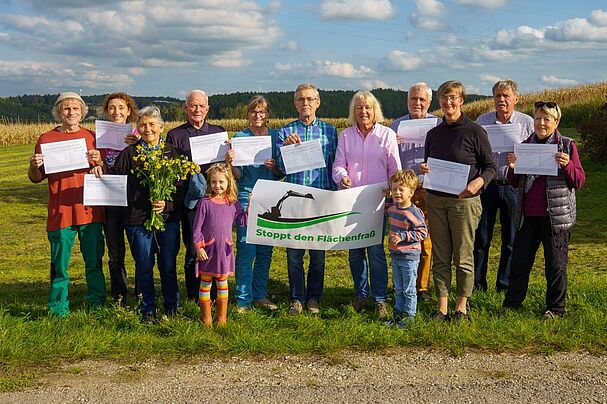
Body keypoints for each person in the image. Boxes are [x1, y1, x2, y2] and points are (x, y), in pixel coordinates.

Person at [420, 80, 496, 322]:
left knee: (463, 256)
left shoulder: (475, 131)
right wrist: (424, 169)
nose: (448, 102)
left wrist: (478, 183)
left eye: (453, 97)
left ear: (461, 100)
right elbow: (428, 163)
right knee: (441, 255)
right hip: (436, 200)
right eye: (444, 98)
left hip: (465, 202)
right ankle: (442, 307)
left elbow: (491, 167)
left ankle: (461, 306)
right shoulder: (433, 134)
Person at [502, 101, 585, 319]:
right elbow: (513, 182)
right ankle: (512, 304)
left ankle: (555, 309)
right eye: (538, 118)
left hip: (555, 217)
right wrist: (512, 168)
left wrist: (567, 165)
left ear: (556, 122)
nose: (541, 123)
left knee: (555, 266)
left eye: (547, 119)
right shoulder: (524, 145)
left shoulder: (566, 146)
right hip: (528, 216)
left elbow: (579, 181)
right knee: (520, 263)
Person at [28, 92, 106, 317]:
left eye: (75, 109)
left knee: (93, 261)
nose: (71, 113)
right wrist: (34, 165)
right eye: (66, 109)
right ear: (58, 112)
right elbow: (36, 177)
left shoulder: (92, 137)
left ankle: (96, 302)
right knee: (59, 265)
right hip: (60, 211)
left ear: (82, 112)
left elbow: (104, 170)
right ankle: (58, 308)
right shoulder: (46, 139)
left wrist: (99, 162)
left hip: (90, 210)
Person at [110, 106, 184, 323]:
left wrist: (168, 204)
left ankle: (172, 307)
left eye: (152, 124)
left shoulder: (172, 153)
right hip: (137, 220)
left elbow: (182, 187)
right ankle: (147, 310)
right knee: (143, 265)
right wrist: (97, 168)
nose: (147, 128)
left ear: (161, 127)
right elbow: (116, 184)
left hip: (167, 220)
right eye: (142, 125)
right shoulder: (129, 154)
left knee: (168, 265)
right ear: (137, 129)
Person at [332, 91, 401, 319]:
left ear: (375, 110)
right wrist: (342, 176)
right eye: (359, 108)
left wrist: (393, 190)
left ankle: (379, 298)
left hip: (377, 201)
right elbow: (338, 165)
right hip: (351, 201)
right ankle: (360, 294)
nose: (363, 112)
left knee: (375, 251)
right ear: (354, 111)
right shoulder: (346, 136)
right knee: (354, 253)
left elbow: (395, 169)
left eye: (368, 108)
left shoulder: (387, 134)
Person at [275, 83, 338, 315]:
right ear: (295, 103)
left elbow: (335, 165)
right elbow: (280, 170)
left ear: (318, 102)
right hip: (294, 202)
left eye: (310, 99)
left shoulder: (330, 132)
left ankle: (313, 298)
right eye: (301, 99)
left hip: (320, 199)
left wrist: (334, 196)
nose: (305, 103)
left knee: (318, 255)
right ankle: (296, 298)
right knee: (294, 255)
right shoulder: (285, 132)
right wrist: (285, 149)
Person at [473, 80, 534, 293]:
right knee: (481, 238)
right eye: (498, 96)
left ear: (516, 99)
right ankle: (478, 285)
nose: (501, 100)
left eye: (506, 96)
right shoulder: (482, 121)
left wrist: (520, 160)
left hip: (513, 186)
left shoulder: (526, 123)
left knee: (511, 239)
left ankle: (504, 285)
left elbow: (535, 153)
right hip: (487, 185)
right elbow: (474, 151)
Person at [166, 89, 226, 301]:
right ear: (185, 108)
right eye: (193, 105)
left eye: (201, 106)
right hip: (191, 203)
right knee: (194, 248)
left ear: (207, 109)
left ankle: (217, 292)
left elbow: (224, 169)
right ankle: (194, 295)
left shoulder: (219, 132)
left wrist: (229, 158)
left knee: (217, 245)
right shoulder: (175, 135)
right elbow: (171, 171)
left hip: (216, 201)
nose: (197, 109)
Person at [225, 96, 282, 313]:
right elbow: (239, 175)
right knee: (246, 247)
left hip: (270, 195)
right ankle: (242, 299)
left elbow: (280, 173)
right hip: (247, 195)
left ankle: (260, 294)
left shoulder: (276, 137)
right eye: (253, 112)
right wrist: (229, 164)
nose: (258, 116)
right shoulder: (240, 137)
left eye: (262, 112)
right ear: (247, 114)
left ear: (268, 115)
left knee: (265, 250)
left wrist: (275, 167)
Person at [390, 82, 436, 302]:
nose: (417, 103)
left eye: (422, 100)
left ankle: (422, 287)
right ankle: (401, 283)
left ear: (429, 102)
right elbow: (386, 157)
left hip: (428, 189)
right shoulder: (396, 126)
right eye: (413, 99)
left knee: (425, 240)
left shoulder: (437, 124)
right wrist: (392, 143)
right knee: (399, 239)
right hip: (404, 193)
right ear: (407, 101)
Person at [193, 163, 247, 327]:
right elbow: (196, 229)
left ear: (229, 182)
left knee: (222, 284)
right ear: (209, 183)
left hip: (225, 251)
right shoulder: (205, 203)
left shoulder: (233, 203)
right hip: (208, 251)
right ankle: (206, 319)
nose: (217, 185)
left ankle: (222, 319)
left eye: (221, 182)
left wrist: (251, 207)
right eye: (214, 182)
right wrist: (199, 247)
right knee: (206, 284)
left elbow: (243, 221)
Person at [100, 92, 139, 306]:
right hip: (110, 198)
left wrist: (137, 144)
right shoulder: (100, 136)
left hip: (133, 200)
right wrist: (96, 161)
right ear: (107, 111)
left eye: (121, 107)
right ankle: (119, 296)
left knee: (140, 250)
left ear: (128, 110)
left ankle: (143, 292)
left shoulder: (137, 134)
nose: (117, 112)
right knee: (115, 252)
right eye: (112, 108)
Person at [385, 169, 428, 327]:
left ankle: (409, 317)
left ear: (411, 192)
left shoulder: (414, 212)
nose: (397, 192)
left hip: (409, 257)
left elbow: (422, 232)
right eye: (394, 189)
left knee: (409, 289)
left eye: (401, 189)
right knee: (399, 288)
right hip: (395, 256)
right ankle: (398, 314)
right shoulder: (392, 208)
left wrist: (403, 237)